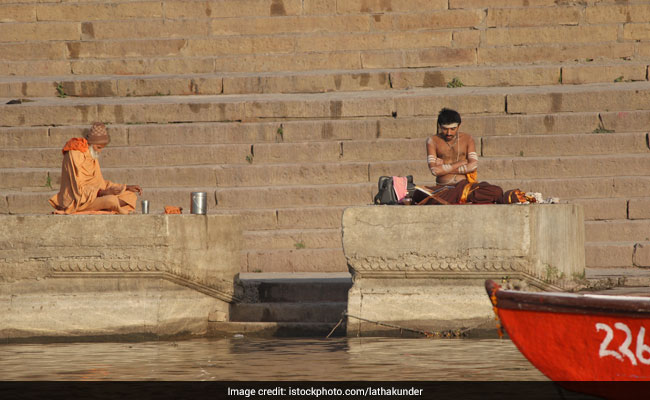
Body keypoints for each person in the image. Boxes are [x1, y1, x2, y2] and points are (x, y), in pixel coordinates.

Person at [416, 108, 525, 205]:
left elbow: (473, 166)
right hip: (443, 188)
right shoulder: (432, 141)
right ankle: (461, 198)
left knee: (496, 191)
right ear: (439, 126)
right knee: (418, 194)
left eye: (453, 129)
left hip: (465, 187)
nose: (449, 133)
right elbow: (435, 171)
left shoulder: (467, 139)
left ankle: (459, 198)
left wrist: (444, 168)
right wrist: (460, 163)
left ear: (459, 126)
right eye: (445, 129)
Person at [49, 122, 143, 214]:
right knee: (111, 200)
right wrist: (102, 193)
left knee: (130, 196)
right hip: (77, 200)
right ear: (90, 143)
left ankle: (104, 206)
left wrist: (125, 187)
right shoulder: (74, 154)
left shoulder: (92, 154)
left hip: (95, 196)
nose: (100, 151)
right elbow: (77, 189)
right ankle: (110, 207)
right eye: (98, 147)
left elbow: (100, 183)